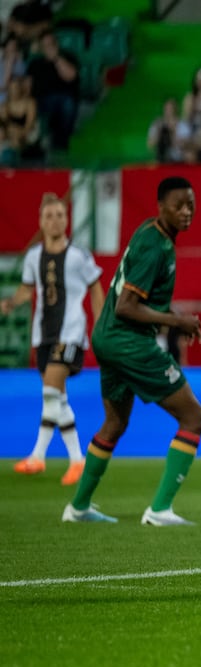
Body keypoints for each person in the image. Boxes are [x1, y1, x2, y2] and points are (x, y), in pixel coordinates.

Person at [63, 176, 201, 525]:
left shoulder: (153, 234)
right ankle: (160, 510)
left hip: (109, 338)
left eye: (191, 204)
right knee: (194, 418)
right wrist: (176, 323)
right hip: (128, 340)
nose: (186, 212)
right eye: (179, 206)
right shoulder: (154, 246)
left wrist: (175, 318)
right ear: (161, 207)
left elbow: (134, 301)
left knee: (114, 423)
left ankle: (78, 507)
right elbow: (127, 306)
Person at [1, 192, 104, 485]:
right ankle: (76, 460)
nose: (55, 220)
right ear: (41, 221)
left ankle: (39, 456)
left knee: (50, 392)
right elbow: (26, 289)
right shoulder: (34, 256)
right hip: (42, 335)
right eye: (49, 216)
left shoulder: (79, 256)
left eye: (59, 215)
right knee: (57, 398)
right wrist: (11, 303)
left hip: (70, 332)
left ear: (67, 219)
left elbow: (96, 287)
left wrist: (99, 324)